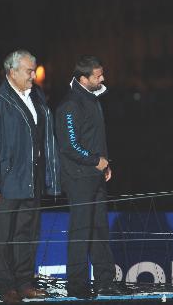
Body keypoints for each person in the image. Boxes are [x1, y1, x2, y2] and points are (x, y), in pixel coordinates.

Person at [0, 49, 60, 304]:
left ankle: (24, 283)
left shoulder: (37, 97)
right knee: (2, 238)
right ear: (12, 72)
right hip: (4, 185)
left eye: (34, 70)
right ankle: (6, 286)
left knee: (27, 235)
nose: (34, 75)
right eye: (29, 71)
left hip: (30, 182)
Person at [55, 56, 121, 298]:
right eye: (97, 76)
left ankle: (105, 281)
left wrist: (105, 164)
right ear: (83, 79)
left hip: (95, 175)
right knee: (81, 231)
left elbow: (95, 138)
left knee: (100, 229)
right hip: (78, 178)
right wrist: (96, 161)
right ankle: (77, 284)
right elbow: (69, 146)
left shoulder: (92, 99)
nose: (102, 78)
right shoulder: (70, 105)